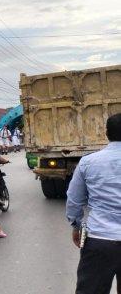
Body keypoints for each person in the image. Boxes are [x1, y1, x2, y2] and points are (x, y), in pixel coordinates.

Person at [66, 113, 121, 294]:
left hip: (99, 240)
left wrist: (76, 225)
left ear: (106, 133)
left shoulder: (88, 162)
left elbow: (74, 200)